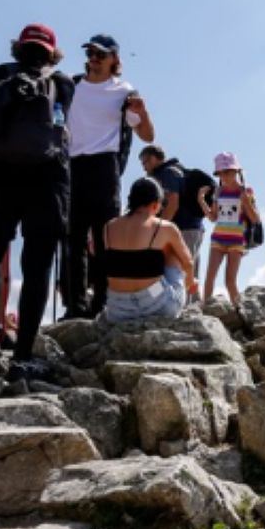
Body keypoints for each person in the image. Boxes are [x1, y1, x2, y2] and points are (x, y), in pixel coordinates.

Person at [0, 24, 74, 380]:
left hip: (0, 173)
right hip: (47, 177)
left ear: (19, 48)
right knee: (38, 264)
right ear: (51, 51)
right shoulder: (63, 82)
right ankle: (24, 354)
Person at [63, 34, 155, 319]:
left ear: (115, 59)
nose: (93, 58)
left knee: (105, 238)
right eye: (90, 52)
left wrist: (143, 112)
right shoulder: (70, 85)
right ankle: (74, 305)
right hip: (72, 165)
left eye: (101, 54)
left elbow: (148, 135)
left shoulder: (123, 91)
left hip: (105, 167)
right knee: (72, 238)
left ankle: (102, 302)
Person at [98, 177, 197, 322]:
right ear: (155, 204)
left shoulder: (108, 226)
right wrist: (190, 283)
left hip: (117, 307)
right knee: (171, 251)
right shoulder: (164, 227)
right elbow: (188, 263)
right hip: (154, 299)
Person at [139, 145, 210, 299]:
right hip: (193, 228)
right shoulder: (178, 170)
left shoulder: (167, 173)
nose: (145, 168)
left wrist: (157, 230)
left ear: (153, 158)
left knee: (175, 270)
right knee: (188, 268)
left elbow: (173, 203)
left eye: (145, 163)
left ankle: (155, 301)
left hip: (183, 229)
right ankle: (194, 305)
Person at [203, 152, 259, 305]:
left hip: (237, 242)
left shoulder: (246, 191)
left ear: (236, 171)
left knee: (230, 281)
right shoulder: (218, 192)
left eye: (227, 172)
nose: (224, 176)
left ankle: (240, 312)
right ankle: (205, 310)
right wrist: (201, 201)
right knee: (210, 277)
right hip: (217, 240)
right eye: (220, 173)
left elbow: (255, 219)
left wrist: (246, 202)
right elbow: (213, 217)